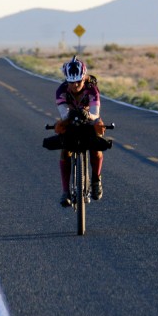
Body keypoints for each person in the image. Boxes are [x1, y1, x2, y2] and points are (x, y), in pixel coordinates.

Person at [55, 55, 105, 207]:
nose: (75, 85)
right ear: (67, 80)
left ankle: (96, 180)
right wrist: (71, 116)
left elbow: (96, 113)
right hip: (70, 120)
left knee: (96, 146)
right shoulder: (61, 91)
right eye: (71, 82)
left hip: (89, 120)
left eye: (79, 81)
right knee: (65, 149)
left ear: (84, 78)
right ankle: (65, 192)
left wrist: (87, 114)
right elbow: (63, 113)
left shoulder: (92, 89)